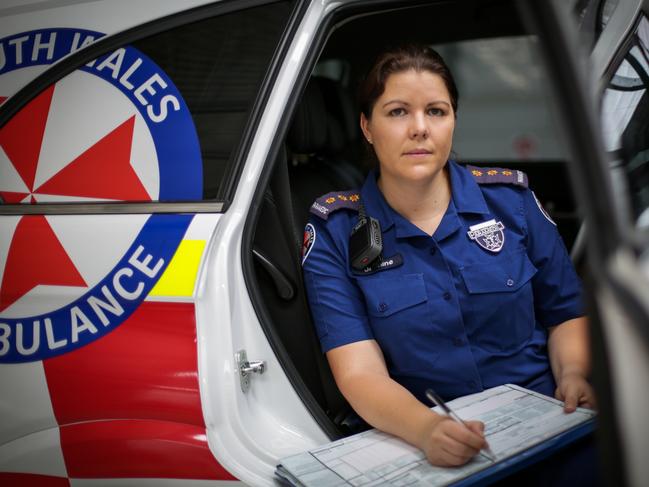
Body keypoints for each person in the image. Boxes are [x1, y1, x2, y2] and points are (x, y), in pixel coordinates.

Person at [301, 44, 597, 478]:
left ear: (453, 120)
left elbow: (566, 312)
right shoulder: (335, 230)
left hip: (551, 418)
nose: (420, 128)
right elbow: (359, 371)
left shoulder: (510, 202)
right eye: (398, 112)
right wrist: (426, 430)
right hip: (425, 441)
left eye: (436, 111)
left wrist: (572, 374)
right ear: (367, 126)